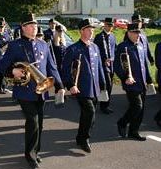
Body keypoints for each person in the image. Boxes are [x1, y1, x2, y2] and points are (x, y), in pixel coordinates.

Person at [0, 12, 65, 169]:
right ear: (23, 27)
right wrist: (12, 71)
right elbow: (2, 65)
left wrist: (60, 86)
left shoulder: (43, 44)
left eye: (36, 25)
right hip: (24, 90)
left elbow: (51, 66)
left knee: (40, 123)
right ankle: (30, 155)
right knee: (33, 121)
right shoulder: (15, 45)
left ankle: (36, 151)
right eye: (31, 25)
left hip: (42, 90)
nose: (34, 27)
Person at [61, 18, 106, 153]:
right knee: (90, 112)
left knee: (88, 116)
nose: (91, 32)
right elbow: (65, 70)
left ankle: (80, 137)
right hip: (81, 88)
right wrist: (70, 85)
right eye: (88, 29)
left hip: (95, 87)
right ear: (81, 31)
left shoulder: (95, 47)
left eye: (92, 30)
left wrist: (103, 84)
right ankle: (85, 139)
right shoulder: (73, 49)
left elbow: (99, 67)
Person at [114, 22, 152, 141]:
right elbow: (117, 66)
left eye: (138, 32)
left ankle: (133, 131)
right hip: (130, 83)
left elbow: (144, 64)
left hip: (142, 82)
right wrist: (125, 77)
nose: (137, 35)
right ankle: (122, 122)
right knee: (137, 106)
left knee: (141, 109)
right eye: (135, 32)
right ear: (129, 33)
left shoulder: (140, 45)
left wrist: (149, 79)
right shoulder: (123, 47)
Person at [94, 17, 117, 114]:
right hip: (103, 65)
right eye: (109, 25)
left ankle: (105, 103)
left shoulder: (112, 36)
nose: (110, 27)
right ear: (105, 25)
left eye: (112, 26)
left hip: (111, 64)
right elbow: (95, 51)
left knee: (110, 85)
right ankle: (104, 106)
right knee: (106, 84)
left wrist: (112, 59)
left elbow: (115, 49)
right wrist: (103, 60)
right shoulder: (99, 37)